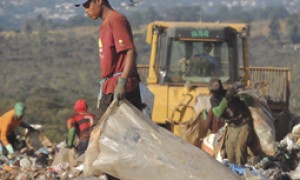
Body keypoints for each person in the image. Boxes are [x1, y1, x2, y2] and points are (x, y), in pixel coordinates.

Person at [77, 0, 142, 123]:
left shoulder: (116, 19)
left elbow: (130, 51)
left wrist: (122, 83)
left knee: (104, 133)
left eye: (87, 5)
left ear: (98, 1)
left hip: (120, 87)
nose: (86, 10)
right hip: (110, 86)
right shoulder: (105, 24)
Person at [211, 81, 254, 165]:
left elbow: (250, 101)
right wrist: (227, 98)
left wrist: (241, 93)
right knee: (229, 150)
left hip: (244, 123)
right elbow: (218, 112)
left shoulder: (232, 93)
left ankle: (241, 170)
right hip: (231, 127)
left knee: (240, 147)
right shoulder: (214, 100)